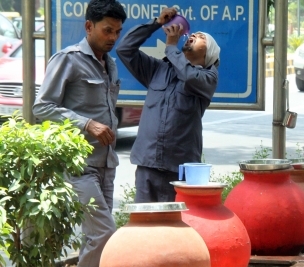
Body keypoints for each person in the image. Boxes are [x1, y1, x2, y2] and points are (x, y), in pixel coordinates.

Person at [32, 0, 126, 266]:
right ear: (89, 26)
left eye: (118, 31)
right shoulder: (68, 60)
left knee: (97, 237)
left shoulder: (111, 64)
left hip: (106, 163)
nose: (113, 38)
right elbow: (42, 107)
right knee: (104, 233)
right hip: (78, 165)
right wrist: (87, 123)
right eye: (108, 30)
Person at [116, 7, 220, 203]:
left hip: (179, 171)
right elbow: (125, 49)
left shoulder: (208, 76)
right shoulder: (158, 69)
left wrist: (171, 47)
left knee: (173, 229)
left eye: (201, 38)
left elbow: (189, 77)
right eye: (193, 34)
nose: (194, 36)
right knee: (146, 227)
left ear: (209, 54)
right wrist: (156, 23)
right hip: (148, 165)